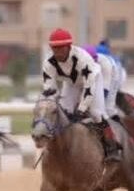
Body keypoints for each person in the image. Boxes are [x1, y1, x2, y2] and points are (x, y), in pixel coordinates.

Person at [42, 28, 120, 163]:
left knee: (96, 113)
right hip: (71, 83)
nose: (58, 52)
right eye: (55, 48)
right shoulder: (48, 63)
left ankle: (111, 146)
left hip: (93, 80)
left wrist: (81, 109)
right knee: (63, 111)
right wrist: (50, 106)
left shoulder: (82, 59)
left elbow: (89, 88)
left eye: (61, 48)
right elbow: (50, 90)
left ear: (69, 47)